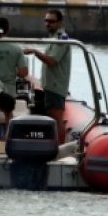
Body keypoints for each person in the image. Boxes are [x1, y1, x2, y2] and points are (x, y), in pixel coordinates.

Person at [23, 9, 71, 144]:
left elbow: (52, 61)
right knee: (52, 117)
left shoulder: (62, 39)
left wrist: (34, 51)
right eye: (46, 21)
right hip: (50, 85)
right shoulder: (54, 38)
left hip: (56, 86)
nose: (47, 24)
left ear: (60, 23)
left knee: (57, 119)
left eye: (51, 21)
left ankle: (60, 147)